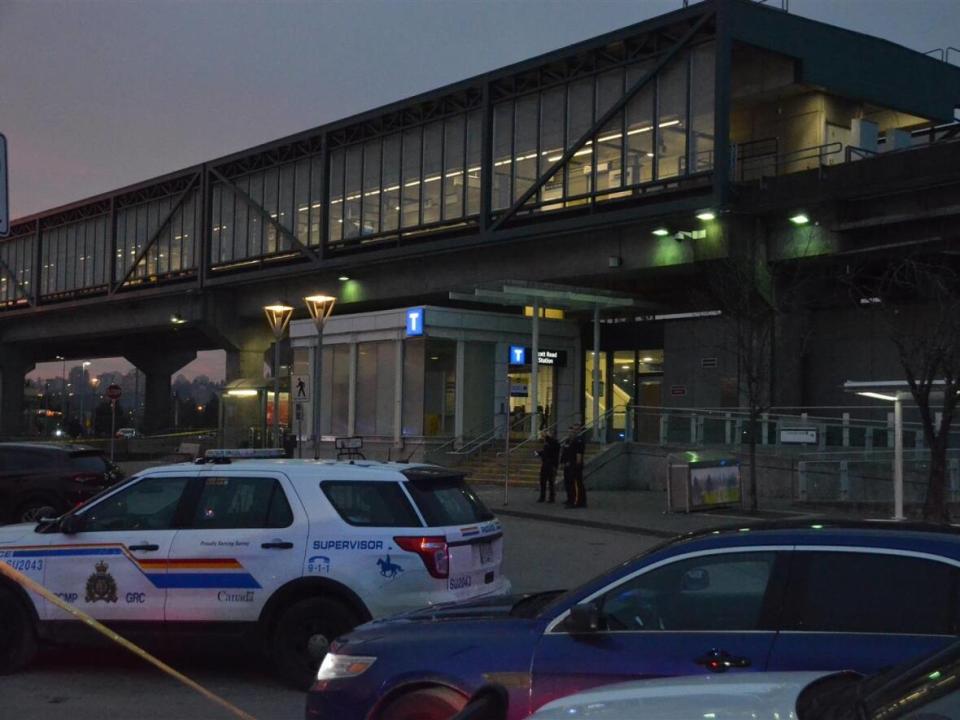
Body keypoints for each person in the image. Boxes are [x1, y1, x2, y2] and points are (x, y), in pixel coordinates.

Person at [560, 424, 586, 508]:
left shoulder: (579, 440)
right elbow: (565, 452)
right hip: (568, 465)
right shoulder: (568, 440)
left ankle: (577, 501)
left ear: (579, 431)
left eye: (575, 430)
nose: (573, 432)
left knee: (576, 484)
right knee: (568, 483)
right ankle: (570, 499)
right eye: (572, 430)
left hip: (574, 466)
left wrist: (577, 465)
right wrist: (563, 462)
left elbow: (579, 454)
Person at [535, 429, 560, 503]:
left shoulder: (554, 442)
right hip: (545, 463)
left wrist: (547, 437)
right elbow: (545, 452)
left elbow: (552, 451)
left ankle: (551, 497)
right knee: (543, 481)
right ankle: (542, 496)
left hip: (552, 464)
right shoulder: (547, 443)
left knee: (551, 482)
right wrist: (539, 453)